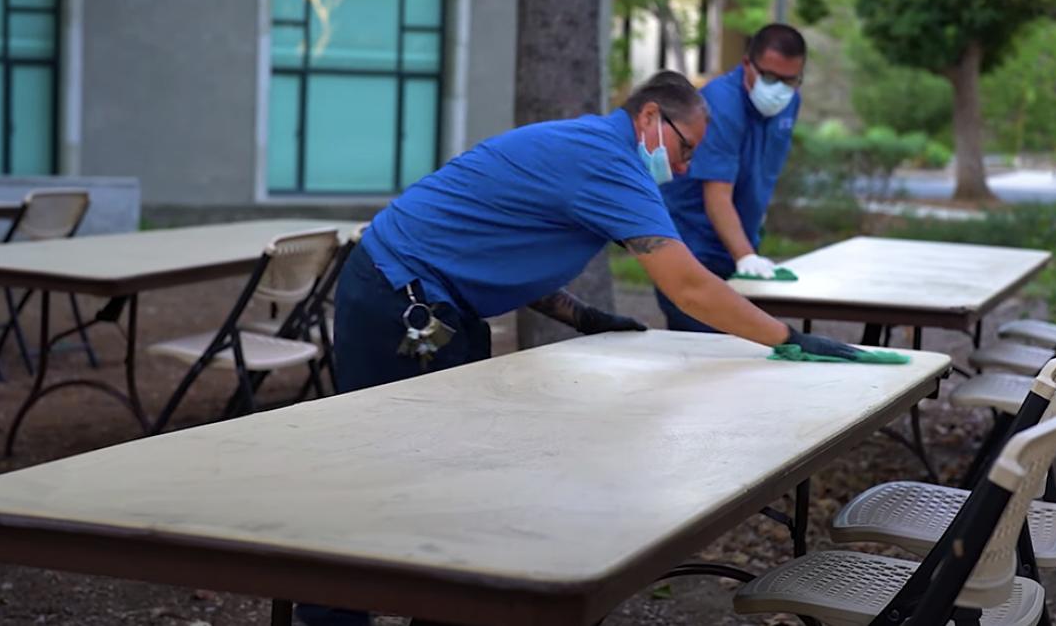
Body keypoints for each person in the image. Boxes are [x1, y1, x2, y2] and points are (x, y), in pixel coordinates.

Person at [296, 69, 875, 626]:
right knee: (378, 472)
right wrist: (787, 338)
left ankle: (442, 608)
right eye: (686, 149)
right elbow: (689, 286)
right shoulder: (609, 160)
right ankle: (330, 614)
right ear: (651, 116)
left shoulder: (588, 148)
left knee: (455, 474)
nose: (684, 167)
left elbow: (511, 245)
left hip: (432, 298)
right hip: (396, 296)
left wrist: (583, 316)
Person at [657, 23, 807, 332]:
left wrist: (750, 244)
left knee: (741, 357)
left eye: (789, 80)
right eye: (769, 77)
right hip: (690, 251)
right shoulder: (719, 104)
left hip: (736, 250)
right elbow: (717, 195)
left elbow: (763, 172)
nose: (778, 89)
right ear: (747, 65)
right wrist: (746, 256)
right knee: (707, 353)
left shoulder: (790, 102)